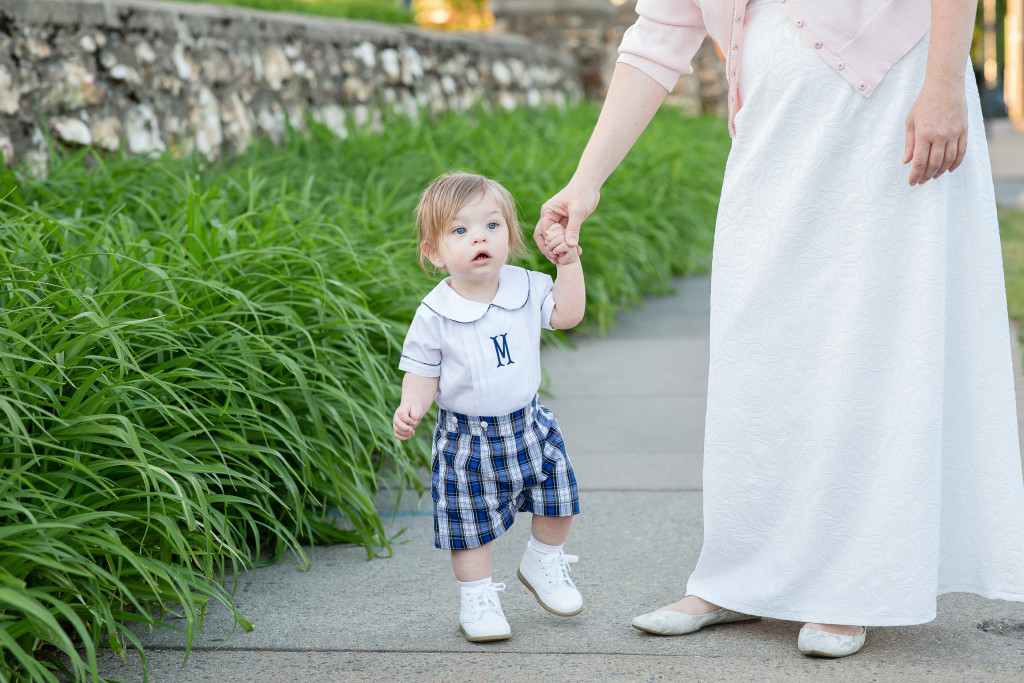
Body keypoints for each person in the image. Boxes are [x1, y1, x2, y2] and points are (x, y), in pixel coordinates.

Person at [536, 0, 1024, 659]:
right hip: (774, 121)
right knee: (759, 346)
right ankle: (740, 575)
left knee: (872, 343)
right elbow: (657, 37)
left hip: (893, 104)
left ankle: (852, 580)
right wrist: (585, 181)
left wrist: (942, 83)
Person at [393, 172, 587, 642]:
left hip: (529, 425)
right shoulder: (434, 313)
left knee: (559, 497)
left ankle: (543, 560)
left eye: (491, 226)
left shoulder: (525, 286)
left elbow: (568, 314)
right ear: (435, 253)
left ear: (510, 236)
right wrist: (412, 405)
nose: (478, 237)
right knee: (469, 525)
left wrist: (568, 265)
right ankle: (477, 598)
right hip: (468, 439)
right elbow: (423, 372)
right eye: (459, 231)